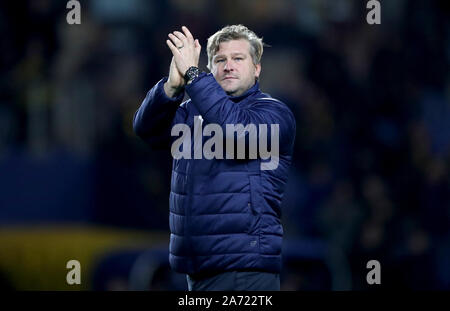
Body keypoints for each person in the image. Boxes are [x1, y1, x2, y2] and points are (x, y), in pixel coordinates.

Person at [133, 24, 296, 291]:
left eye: (238, 59)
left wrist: (194, 76)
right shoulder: (189, 113)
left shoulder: (274, 114)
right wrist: (172, 87)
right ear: (211, 68)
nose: (228, 66)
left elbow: (234, 131)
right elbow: (145, 130)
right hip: (197, 270)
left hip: (244, 271)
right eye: (220, 60)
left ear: (257, 69)